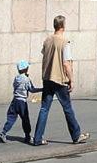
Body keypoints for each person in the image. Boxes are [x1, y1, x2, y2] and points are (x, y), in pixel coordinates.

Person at [33, 15, 89, 146]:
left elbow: (45, 55)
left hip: (47, 78)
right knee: (67, 108)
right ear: (63, 26)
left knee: (44, 108)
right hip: (59, 79)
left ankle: (37, 138)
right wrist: (72, 79)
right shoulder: (65, 42)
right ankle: (76, 135)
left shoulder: (47, 40)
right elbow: (66, 64)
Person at [0, 60, 42, 143]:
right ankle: (27, 136)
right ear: (26, 69)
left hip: (15, 100)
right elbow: (32, 89)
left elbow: (15, 86)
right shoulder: (26, 79)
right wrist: (42, 89)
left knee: (11, 118)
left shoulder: (16, 78)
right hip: (22, 102)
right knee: (25, 119)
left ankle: (3, 132)